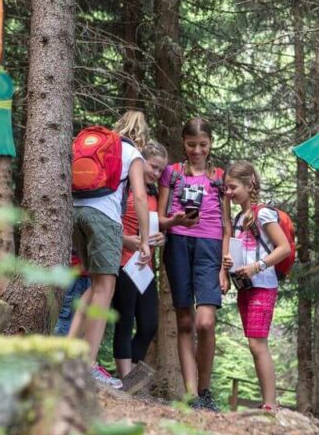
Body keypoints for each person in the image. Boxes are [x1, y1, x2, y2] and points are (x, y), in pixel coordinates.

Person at [70, 110, 151, 388]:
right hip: (104, 218)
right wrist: (144, 239)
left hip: (77, 214)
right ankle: (89, 364)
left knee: (94, 286)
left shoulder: (104, 146)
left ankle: (68, 351)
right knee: (106, 289)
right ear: (142, 136)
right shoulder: (133, 154)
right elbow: (140, 197)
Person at [157, 117, 231, 411]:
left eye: (202, 144)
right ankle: (191, 396)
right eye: (191, 145)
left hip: (210, 248)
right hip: (177, 244)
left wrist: (224, 267)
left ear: (211, 143)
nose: (197, 150)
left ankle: (204, 389)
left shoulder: (220, 177)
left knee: (205, 321)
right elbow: (160, 219)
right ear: (183, 144)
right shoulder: (172, 173)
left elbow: (227, 225)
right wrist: (175, 220)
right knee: (185, 321)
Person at [221, 161, 291, 411]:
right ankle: (268, 402)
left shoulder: (263, 214)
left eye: (233, 187)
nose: (229, 192)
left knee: (257, 343)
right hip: (246, 286)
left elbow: (284, 248)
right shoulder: (239, 217)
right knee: (254, 345)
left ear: (249, 184)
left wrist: (257, 266)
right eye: (226, 188)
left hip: (263, 284)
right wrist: (231, 264)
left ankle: (270, 404)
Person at [111, 140, 171, 378]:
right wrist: (125, 240)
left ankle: (130, 374)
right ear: (140, 161)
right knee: (125, 319)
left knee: (148, 324)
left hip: (144, 267)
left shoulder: (154, 193)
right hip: (122, 262)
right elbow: (108, 223)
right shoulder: (124, 187)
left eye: (160, 170)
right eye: (153, 167)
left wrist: (161, 237)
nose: (156, 174)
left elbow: (154, 225)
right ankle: (125, 376)